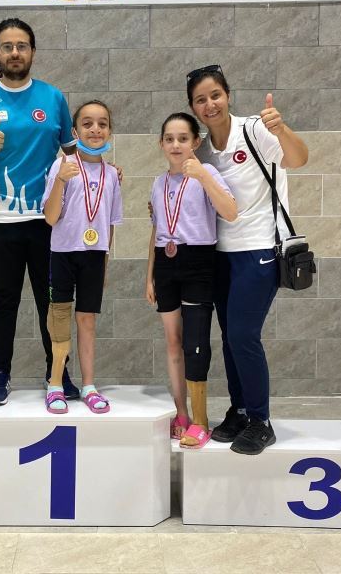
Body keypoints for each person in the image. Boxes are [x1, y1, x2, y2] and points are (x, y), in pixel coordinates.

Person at [187, 64, 308, 455]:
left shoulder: (255, 130)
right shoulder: (202, 150)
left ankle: (260, 420)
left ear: (227, 95)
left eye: (215, 95)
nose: (210, 104)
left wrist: (281, 129)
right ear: (193, 107)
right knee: (229, 338)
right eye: (200, 100)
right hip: (221, 254)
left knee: (243, 335)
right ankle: (239, 411)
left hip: (260, 249)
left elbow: (298, 159)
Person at [0, 18, 79, 405]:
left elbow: (72, 152)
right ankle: (0, 375)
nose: (15, 52)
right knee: (5, 300)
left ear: (32, 51)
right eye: (7, 46)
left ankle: (58, 374)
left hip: (48, 219)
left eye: (22, 46)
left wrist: (104, 173)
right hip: (0, 220)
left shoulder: (52, 97)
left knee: (52, 300)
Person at [146, 113, 237, 449]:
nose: (176, 145)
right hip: (165, 264)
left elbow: (230, 211)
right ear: (161, 143)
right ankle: (181, 413)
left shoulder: (207, 172)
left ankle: (201, 420)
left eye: (183, 138)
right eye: (169, 139)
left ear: (196, 142)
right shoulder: (158, 183)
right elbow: (157, 231)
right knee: (173, 342)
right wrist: (149, 276)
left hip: (198, 262)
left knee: (194, 343)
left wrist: (203, 176)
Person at [41, 100, 122, 414]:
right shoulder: (61, 166)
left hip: (94, 257)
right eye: (87, 124)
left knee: (87, 320)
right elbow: (50, 218)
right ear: (75, 132)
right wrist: (62, 179)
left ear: (109, 131)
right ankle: (55, 384)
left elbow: (110, 223)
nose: (95, 129)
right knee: (60, 321)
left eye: (102, 123)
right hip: (62, 254)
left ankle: (89, 385)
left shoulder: (112, 174)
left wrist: (105, 264)